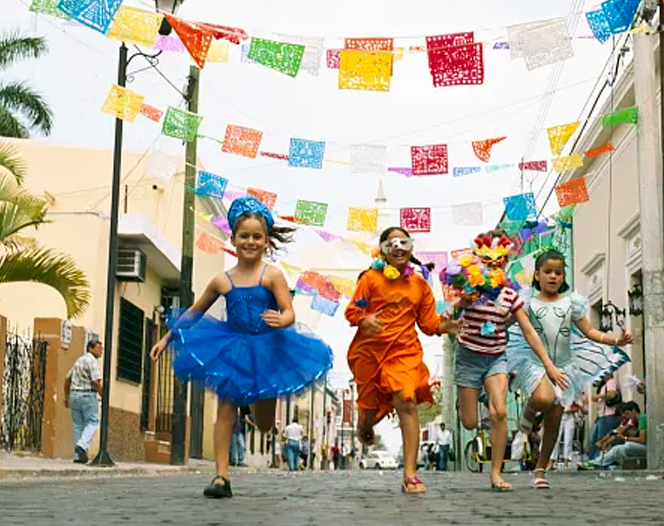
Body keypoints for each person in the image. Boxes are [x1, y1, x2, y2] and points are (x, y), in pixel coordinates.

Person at [150, 196, 333, 499]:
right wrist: (167, 337)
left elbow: (289, 311)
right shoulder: (222, 280)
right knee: (225, 410)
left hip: (268, 349)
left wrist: (281, 319)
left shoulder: (272, 275)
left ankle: (259, 406)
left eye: (256, 236)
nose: (250, 241)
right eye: (244, 236)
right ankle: (221, 476)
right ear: (233, 239)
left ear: (266, 242)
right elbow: (194, 313)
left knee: (263, 424)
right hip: (233, 349)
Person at [345, 226, 462, 494]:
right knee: (370, 411)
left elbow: (429, 324)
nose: (397, 247)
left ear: (411, 247)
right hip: (370, 353)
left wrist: (447, 326)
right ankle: (365, 421)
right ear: (383, 251)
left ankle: (410, 474)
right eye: (390, 243)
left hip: (404, 352)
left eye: (403, 242)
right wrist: (364, 319)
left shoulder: (420, 285)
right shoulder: (370, 279)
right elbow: (352, 311)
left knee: (406, 399)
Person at [506, 250, 632, 489]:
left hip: (565, 366)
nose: (553, 277)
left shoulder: (571, 303)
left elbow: (590, 332)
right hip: (536, 364)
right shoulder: (528, 302)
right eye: (547, 272)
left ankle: (541, 470)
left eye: (558, 272)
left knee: (554, 419)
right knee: (544, 397)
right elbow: (518, 328)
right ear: (536, 275)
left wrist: (616, 340)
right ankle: (530, 409)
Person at [452, 230, 564, 492]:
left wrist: (548, 364)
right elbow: (448, 316)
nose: (493, 266)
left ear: (505, 262)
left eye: (498, 261)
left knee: (499, 412)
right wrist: (460, 305)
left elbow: (529, 332)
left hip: (495, 358)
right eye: (487, 260)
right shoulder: (469, 292)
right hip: (468, 358)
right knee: (469, 422)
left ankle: (495, 473)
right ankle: (467, 399)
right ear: (478, 260)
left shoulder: (511, 296)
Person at [63, 339, 103, 464]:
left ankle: (77, 456)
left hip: (74, 394)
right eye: (98, 348)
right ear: (90, 348)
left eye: (101, 348)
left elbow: (67, 378)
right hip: (87, 394)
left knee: (78, 425)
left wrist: (67, 396)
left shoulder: (78, 361)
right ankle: (81, 445)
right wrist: (103, 394)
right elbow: (95, 381)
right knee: (93, 421)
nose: (100, 351)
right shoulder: (92, 361)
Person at [582, 401, 647, 469]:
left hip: (646, 448)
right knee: (619, 450)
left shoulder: (642, 418)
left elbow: (642, 439)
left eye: (628, 414)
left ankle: (594, 463)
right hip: (639, 448)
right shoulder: (631, 421)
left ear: (633, 411)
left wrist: (625, 438)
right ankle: (600, 463)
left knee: (626, 445)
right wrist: (605, 442)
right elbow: (616, 432)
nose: (627, 417)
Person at [589, 375, 622, 460]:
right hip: (602, 416)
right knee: (594, 439)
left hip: (608, 415)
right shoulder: (604, 385)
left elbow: (611, 394)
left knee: (600, 439)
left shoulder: (610, 382)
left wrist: (599, 396)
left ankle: (597, 459)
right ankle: (594, 459)